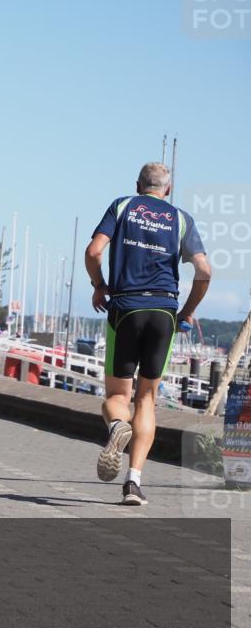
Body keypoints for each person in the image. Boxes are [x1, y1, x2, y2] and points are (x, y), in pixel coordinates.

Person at [86, 162, 210, 505]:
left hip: (126, 308)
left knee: (117, 397)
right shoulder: (182, 219)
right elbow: (204, 269)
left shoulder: (122, 206)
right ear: (167, 190)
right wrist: (185, 312)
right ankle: (133, 483)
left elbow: (94, 251)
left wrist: (99, 286)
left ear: (138, 186)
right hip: (163, 312)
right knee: (147, 399)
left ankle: (116, 428)